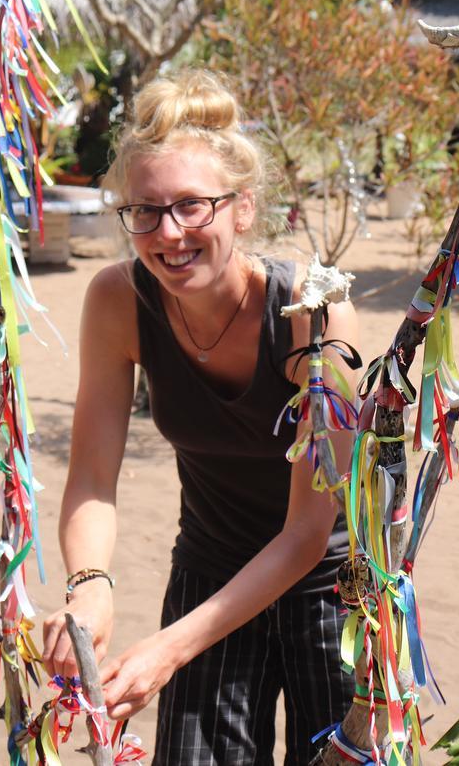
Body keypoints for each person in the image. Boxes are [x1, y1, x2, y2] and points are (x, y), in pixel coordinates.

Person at [39, 69, 355, 764]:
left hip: (336, 584)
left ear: (242, 208)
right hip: (210, 565)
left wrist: (166, 650)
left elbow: (308, 530)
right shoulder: (120, 298)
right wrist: (88, 585)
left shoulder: (309, 310)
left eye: (191, 206)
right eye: (144, 211)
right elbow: (91, 473)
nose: (168, 233)